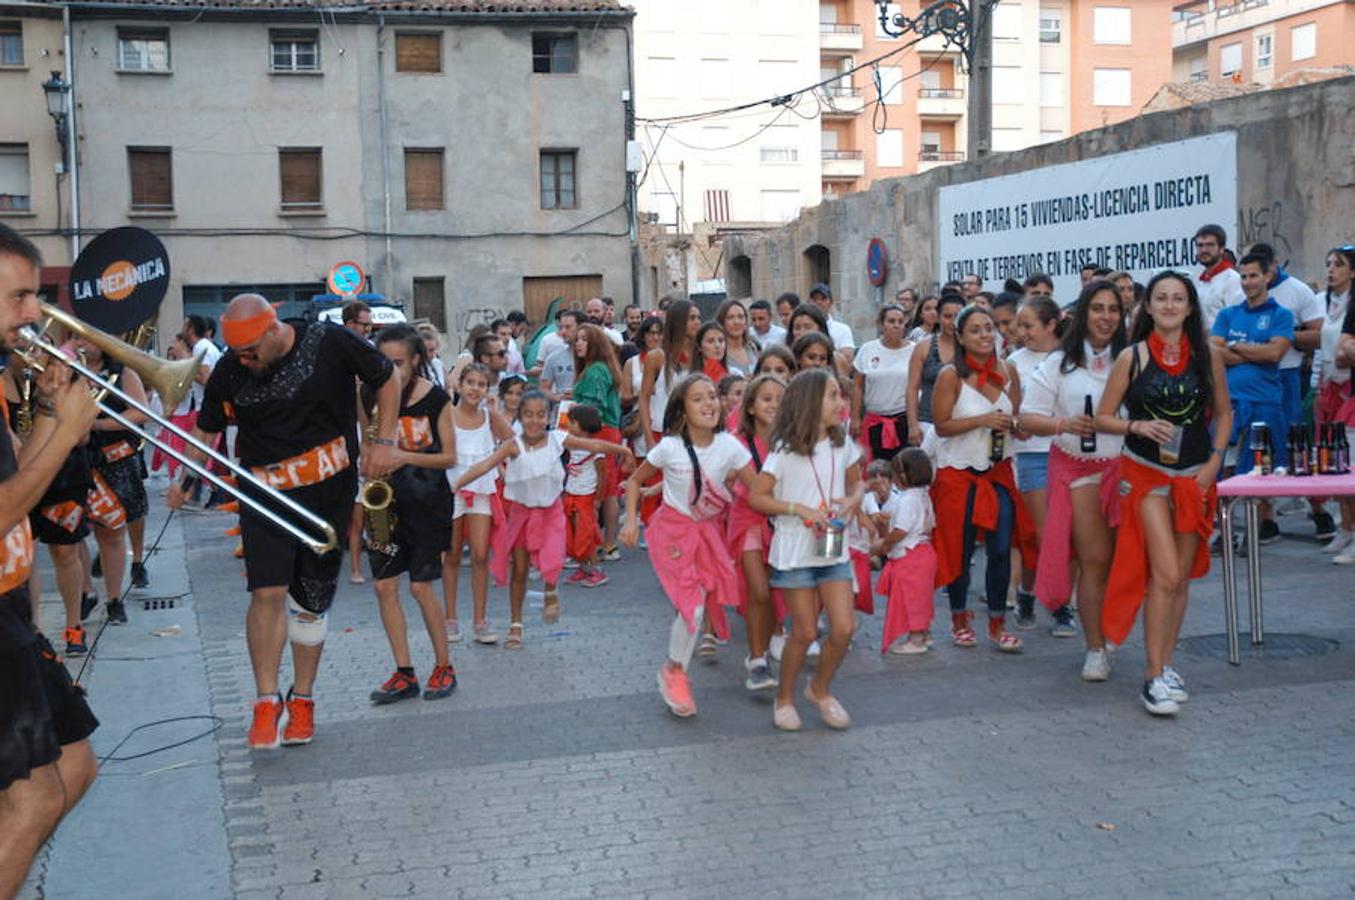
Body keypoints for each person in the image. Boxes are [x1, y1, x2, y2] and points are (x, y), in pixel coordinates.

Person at [170, 293, 400, 749]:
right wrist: (184, 479)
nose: (245, 360)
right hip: (265, 492)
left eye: (252, 350)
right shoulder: (231, 371)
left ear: (274, 329)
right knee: (267, 591)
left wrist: (384, 440)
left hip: (328, 493)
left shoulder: (330, 341)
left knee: (310, 601)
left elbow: (387, 377)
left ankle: (304, 700)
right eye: (238, 353)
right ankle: (265, 700)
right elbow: (207, 428)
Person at [0, 225, 101, 897]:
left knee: (76, 766)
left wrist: (45, 421)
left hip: (10, 608)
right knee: (33, 799)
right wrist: (66, 433)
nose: (34, 313)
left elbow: (16, 477)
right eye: (18, 297)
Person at [1095, 271, 1231, 716]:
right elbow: (1103, 418)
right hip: (1146, 475)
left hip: (1194, 477)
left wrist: (1214, 462)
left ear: (1191, 307)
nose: (1170, 305)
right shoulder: (1131, 358)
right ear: (1147, 307)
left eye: (1178, 299)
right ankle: (1152, 677)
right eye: (1161, 298)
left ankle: (1168, 664)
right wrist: (1136, 425)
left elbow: (1225, 415)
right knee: (1166, 574)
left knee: (1182, 577)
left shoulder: (1207, 355)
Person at [620, 374, 758, 718]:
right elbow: (635, 481)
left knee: (695, 603)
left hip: (708, 534)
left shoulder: (731, 448)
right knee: (692, 604)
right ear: (682, 410)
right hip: (672, 532)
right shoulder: (669, 447)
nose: (709, 403)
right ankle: (675, 672)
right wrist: (631, 520)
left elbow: (759, 489)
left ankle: (675, 666)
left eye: (712, 396)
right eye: (698, 399)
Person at [457, 392, 632, 647]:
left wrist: (622, 449)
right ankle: (516, 625)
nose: (534, 421)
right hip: (521, 515)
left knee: (551, 557)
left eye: (540, 415)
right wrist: (456, 484)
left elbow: (594, 446)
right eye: (528, 415)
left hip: (550, 513)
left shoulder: (557, 439)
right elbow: (484, 466)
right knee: (519, 570)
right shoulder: (512, 445)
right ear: (520, 416)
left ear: (548, 417)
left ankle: (551, 589)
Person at [1020, 280, 1128, 682]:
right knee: (1094, 561)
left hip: (1129, 472)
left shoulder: (1134, 358)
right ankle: (1095, 647)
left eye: (1113, 309)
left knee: (1127, 563)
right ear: (1084, 313)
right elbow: (1027, 417)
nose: (1105, 317)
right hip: (1080, 471)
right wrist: (1063, 423)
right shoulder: (1059, 363)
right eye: (1097, 308)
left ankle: (1111, 630)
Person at [750, 368, 864, 731]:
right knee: (805, 632)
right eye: (833, 395)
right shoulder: (783, 451)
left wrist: (851, 502)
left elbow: (857, 484)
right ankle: (784, 698)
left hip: (832, 545)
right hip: (796, 551)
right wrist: (797, 509)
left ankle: (819, 689)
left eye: (840, 395)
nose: (840, 402)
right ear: (810, 403)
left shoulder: (841, 443)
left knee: (844, 628)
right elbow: (757, 496)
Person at [931, 304, 1038, 654]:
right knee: (960, 551)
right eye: (975, 330)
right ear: (960, 337)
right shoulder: (951, 375)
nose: (984, 335)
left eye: (989, 328)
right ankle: (960, 619)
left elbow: (1015, 417)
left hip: (998, 471)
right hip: (958, 474)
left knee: (1001, 547)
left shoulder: (1008, 371)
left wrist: (1016, 428)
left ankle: (997, 623)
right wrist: (981, 421)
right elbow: (942, 426)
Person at [362, 325, 458, 704]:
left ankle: (443, 665)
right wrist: (368, 461)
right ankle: (404, 672)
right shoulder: (369, 394)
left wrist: (402, 455)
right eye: (384, 363)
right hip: (384, 502)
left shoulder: (435, 399)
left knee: (420, 587)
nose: (391, 371)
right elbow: (367, 445)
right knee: (384, 586)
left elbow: (450, 457)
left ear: (416, 360)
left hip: (427, 500)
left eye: (398, 363)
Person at [3, 361, 96, 656]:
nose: (36, 356)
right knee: (25, 556)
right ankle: (34, 629)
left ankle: (74, 627)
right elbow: (18, 460)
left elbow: (83, 437)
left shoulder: (62, 378)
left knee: (65, 550)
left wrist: (51, 408)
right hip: (17, 482)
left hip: (65, 477)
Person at [1210, 252, 1294, 544]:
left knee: (1259, 469)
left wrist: (1235, 347)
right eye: (1243, 276)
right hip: (1229, 405)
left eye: (1253, 275)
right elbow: (1213, 353)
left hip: (1265, 403)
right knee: (1222, 467)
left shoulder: (1281, 315)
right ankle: (1225, 530)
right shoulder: (1227, 314)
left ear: (1267, 276)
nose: (1247, 282)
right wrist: (1254, 349)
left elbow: (1275, 353)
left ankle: (1255, 529)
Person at [1006, 296, 1073, 635]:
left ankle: (1061, 604)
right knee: (1043, 536)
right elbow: (1011, 408)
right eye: (1020, 325)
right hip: (1032, 454)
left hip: (1070, 454)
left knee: (1068, 536)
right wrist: (1014, 420)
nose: (1022, 332)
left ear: (1051, 325)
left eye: (1028, 325)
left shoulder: (1072, 358)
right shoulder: (1014, 362)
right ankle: (1032, 595)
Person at [74, 334, 151, 622]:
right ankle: (86, 591)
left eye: (88, 339)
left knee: (113, 532)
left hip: (115, 458)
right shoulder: (70, 370)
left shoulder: (123, 372)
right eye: (76, 338)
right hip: (80, 460)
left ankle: (114, 598)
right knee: (75, 531)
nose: (82, 344)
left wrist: (101, 423)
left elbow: (139, 411)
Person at [443, 363, 514, 645]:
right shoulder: (447, 414)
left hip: (482, 489)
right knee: (451, 553)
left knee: (481, 554)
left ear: (487, 390)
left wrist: (494, 410)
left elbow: (511, 438)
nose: (475, 388)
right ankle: (450, 618)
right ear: (459, 385)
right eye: (470, 382)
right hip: (452, 487)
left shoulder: (488, 417)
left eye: (481, 384)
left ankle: (480, 619)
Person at [726, 373, 785, 691]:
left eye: (779, 399)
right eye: (766, 399)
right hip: (749, 521)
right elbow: (756, 490)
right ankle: (758, 659)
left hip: (779, 524)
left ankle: (764, 649)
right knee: (758, 591)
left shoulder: (791, 443)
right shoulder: (738, 442)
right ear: (749, 406)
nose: (773, 405)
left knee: (775, 592)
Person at [570, 323, 626, 557]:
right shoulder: (601, 368)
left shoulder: (595, 370)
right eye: (577, 339)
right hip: (607, 431)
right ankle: (607, 543)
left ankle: (597, 544)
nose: (578, 344)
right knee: (608, 489)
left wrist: (574, 407)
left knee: (598, 490)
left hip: (597, 433)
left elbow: (595, 407)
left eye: (584, 339)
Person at [875, 448, 937, 655]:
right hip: (923, 551)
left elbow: (901, 530)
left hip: (910, 555)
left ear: (901, 476)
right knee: (921, 596)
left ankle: (916, 638)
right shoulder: (922, 495)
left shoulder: (909, 499)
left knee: (910, 598)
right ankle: (924, 633)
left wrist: (885, 544)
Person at [1315, 246, 1355, 559]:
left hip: (1348, 388)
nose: (1331, 270)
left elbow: (1345, 352)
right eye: (1328, 264)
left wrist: (1345, 354)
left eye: (1338, 265)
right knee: (1336, 461)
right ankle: (1345, 526)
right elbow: (1329, 350)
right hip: (1329, 387)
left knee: (1351, 462)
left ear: (1352, 272)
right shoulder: (1324, 303)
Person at [852, 303, 913, 462]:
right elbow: (857, 386)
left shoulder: (914, 350)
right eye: (891, 321)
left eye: (900, 322)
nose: (896, 326)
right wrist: (855, 418)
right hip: (875, 422)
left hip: (903, 421)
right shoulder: (867, 349)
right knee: (875, 471)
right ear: (881, 324)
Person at [906, 293, 965, 452]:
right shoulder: (923, 347)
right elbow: (912, 388)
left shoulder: (972, 348)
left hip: (962, 423)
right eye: (947, 316)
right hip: (927, 422)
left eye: (957, 316)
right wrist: (912, 425)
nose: (953, 322)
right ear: (938, 318)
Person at [561, 403, 608, 588]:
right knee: (573, 532)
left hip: (586, 495)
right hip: (572, 492)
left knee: (585, 534)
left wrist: (598, 499)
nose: (569, 425)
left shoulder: (596, 448)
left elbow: (602, 474)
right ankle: (583, 567)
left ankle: (596, 569)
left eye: (572, 422)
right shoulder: (572, 444)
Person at [1191, 224, 1241, 328]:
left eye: (1210, 245)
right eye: (1200, 245)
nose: (1204, 250)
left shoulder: (1232, 279)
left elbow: (1236, 320)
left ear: (1221, 248)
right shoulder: (1201, 281)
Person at [539, 310, 584, 405]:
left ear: (581, 328)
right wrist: (558, 398)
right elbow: (543, 389)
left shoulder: (596, 358)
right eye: (561, 327)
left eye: (568, 327)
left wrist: (579, 395)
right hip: (562, 414)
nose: (563, 332)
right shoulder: (553, 358)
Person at [807, 283, 855, 363]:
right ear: (809, 302)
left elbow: (847, 361)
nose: (819, 302)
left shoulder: (842, 330)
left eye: (823, 299)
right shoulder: (803, 328)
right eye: (815, 299)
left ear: (830, 302)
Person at [715, 299, 758, 376]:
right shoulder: (718, 352)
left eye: (741, 317)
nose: (736, 322)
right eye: (730, 317)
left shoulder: (752, 347)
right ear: (722, 322)